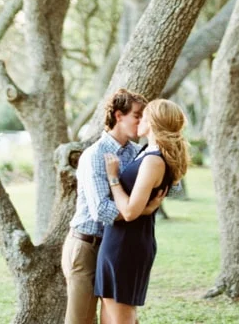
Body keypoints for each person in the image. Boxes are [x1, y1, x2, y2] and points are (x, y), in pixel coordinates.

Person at [62, 88, 165, 324]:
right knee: (81, 320)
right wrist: (142, 209)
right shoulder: (95, 155)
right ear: (119, 115)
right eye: (137, 116)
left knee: (117, 318)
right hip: (87, 246)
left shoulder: (137, 153)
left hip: (115, 248)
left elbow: (164, 187)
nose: (141, 122)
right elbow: (103, 211)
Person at [94, 98, 190, 324]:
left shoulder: (154, 161)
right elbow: (164, 193)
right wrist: (148, 208)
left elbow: (128, 212)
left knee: (121, 318)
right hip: (116, 240)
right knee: (108, 314)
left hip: (128, 244)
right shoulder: (148, 151)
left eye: (144, 116)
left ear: (154, 123)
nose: (139, 120)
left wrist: (113, 178)